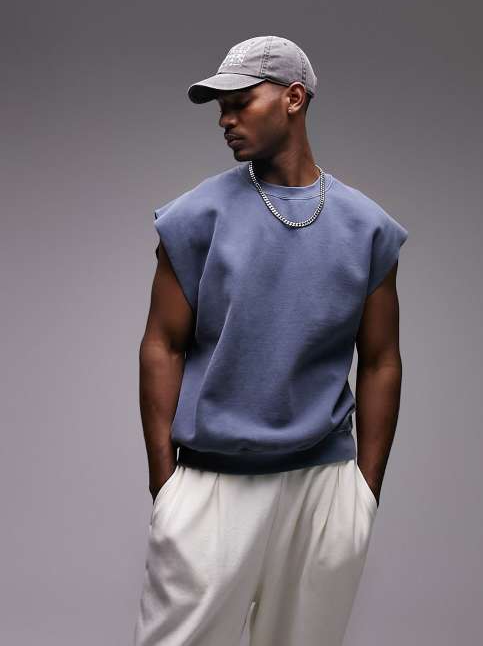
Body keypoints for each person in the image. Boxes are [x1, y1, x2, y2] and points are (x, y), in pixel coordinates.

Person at [133, 35, 409, 646]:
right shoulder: (194, 218)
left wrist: (365, 490)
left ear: (294, 98)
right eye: (220, 108)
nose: (226, 121)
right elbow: (162, 345)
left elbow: (381, 359)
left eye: (240, 103)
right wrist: (166, 484)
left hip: (324, 486)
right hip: (212, 484)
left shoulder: (367, 228)